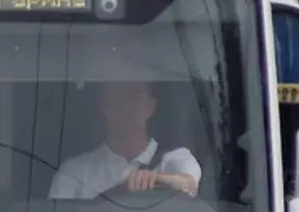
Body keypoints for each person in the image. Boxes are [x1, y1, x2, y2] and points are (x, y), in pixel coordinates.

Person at [48, 80, 201, 199]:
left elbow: (189, 184)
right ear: (103, 105)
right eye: (116, 97)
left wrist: (152, 179)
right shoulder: (74, 173)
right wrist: (120, 191)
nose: (126, 106)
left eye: (135, 96)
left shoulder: (175, 159)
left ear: (151, 106)